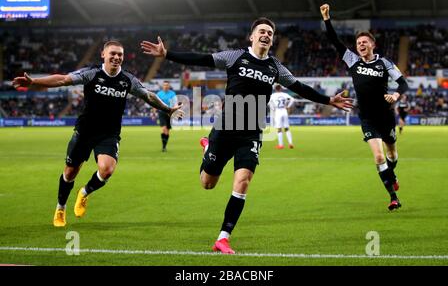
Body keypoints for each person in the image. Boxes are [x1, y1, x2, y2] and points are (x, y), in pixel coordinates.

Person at [141, 18, 353, 254]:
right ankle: (207, 147)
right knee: (207, 183)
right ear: (251, 37)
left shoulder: (275, 67)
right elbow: (202, 59)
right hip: (225, 128)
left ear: (272, 40)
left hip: (251, 133)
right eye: (261, 31)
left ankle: (223, 237)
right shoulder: (235, 57)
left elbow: (299, 86)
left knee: (243, 182)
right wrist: (167, 53)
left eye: (270, 33)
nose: (266, 35)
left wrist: (327, 100)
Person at [12, 41, 183, 227]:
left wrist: (167, 109)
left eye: (120, 54)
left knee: (107, 169)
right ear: (103, 54)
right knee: (70, 173)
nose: (117, 57)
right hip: (85, 131)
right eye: (113, 53)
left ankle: (84, 192)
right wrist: (34, 81)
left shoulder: (127, 80)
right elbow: (63, 79)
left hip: (109, 134)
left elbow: (147, 95)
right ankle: (60, 207)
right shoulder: (91, 73)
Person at [320, 4, 409, 211]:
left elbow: (403, 83)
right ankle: (393, 197)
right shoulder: (352, 61)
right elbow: (335, 41)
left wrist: (396, 94)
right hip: (367, 117)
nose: (360, 44)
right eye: (358, 42)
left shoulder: (384, 63)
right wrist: (326, 19)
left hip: (386, 116)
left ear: (372, 45)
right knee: (378, 156)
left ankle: (392, 173)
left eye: (364, 42)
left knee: (392, 153)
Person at [268, 84, 295, 149]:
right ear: (281, 88)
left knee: (279, 129)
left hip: (278, 111)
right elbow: (293, 99)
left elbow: (268, 102)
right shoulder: (285, 95)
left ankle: (281, 145)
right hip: (284, 110)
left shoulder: (273, 95)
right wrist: (288, 106)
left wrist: (273, 108)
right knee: (287, 128)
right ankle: (290, 143)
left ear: (275, 89)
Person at [156, 81, 177, 152]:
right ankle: (163, 147)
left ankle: (164, 146)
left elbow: (175, 103)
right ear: (163, 86)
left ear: (169, 86)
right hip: (161, 113)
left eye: (167, 85)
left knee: (167, 131)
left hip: (169, 113)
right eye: (164, 85)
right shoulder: (159, 94)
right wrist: (153, 110)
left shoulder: (172, 94)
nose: (166, 86)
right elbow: (154, 102)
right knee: (164, 129)